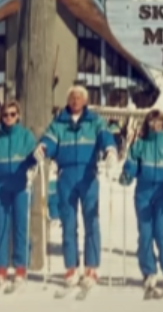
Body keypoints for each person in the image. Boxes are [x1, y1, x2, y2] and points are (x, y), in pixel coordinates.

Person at [33, 85, 118, 290]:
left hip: (88, 176)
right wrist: (43, 148)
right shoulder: (59, 123)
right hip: (66, 177)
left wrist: (110, 150)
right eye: (72, 97)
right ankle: (71, 266)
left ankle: (91, 268)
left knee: (92, 222)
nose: (75, 100)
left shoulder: (95, 121)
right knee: (68, 224)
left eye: (79, 97)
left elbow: (105, 136)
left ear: (85, 100)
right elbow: (49, 140)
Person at [119, 110, 163, 298]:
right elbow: (131, 164)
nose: (155, 125)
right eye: (152, 122)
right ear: (148, 124)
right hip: (143, 193)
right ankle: (149, 271)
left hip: (162, 193)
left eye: (159, 122)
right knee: (145, 234)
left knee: (160, 233)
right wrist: (127, 174)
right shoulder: (139, 144)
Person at [0, 101, 38, 289]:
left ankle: (20, 266)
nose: (9, 118)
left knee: (21, 226)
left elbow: (33, 155)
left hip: (21, 184)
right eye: (5, 115)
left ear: (18, 116)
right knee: (1, 226)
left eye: (12, 114)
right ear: (1, 117)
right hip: (2, 185)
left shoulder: (26, 136)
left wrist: (36, 160)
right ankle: (0, 267)